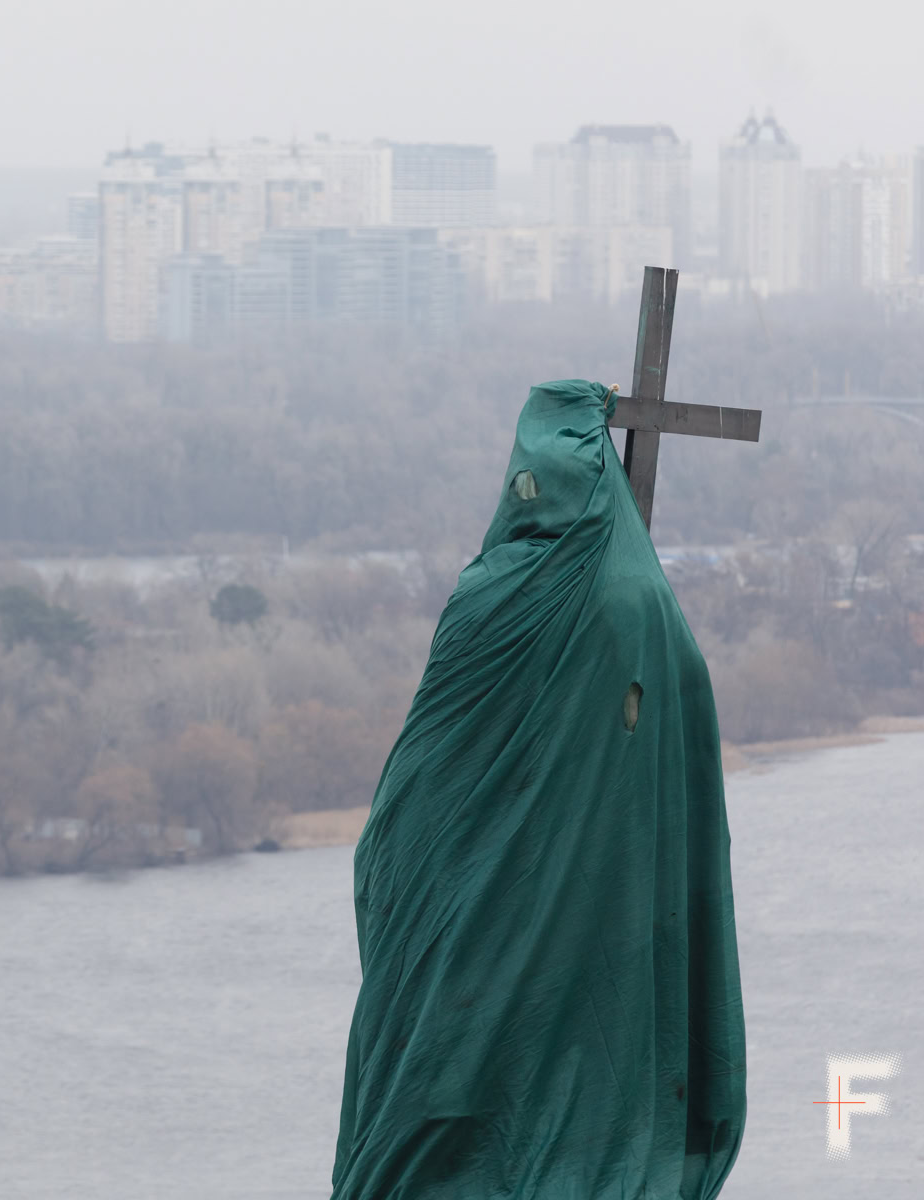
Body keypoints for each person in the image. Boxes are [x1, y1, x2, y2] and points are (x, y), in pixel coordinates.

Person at [328, 379, 746, 1199]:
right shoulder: (643, 608)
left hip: (515, 903)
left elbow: (417, 789)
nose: (535, 499)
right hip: (605, 893)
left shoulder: (491, 594)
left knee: (469, 1082)